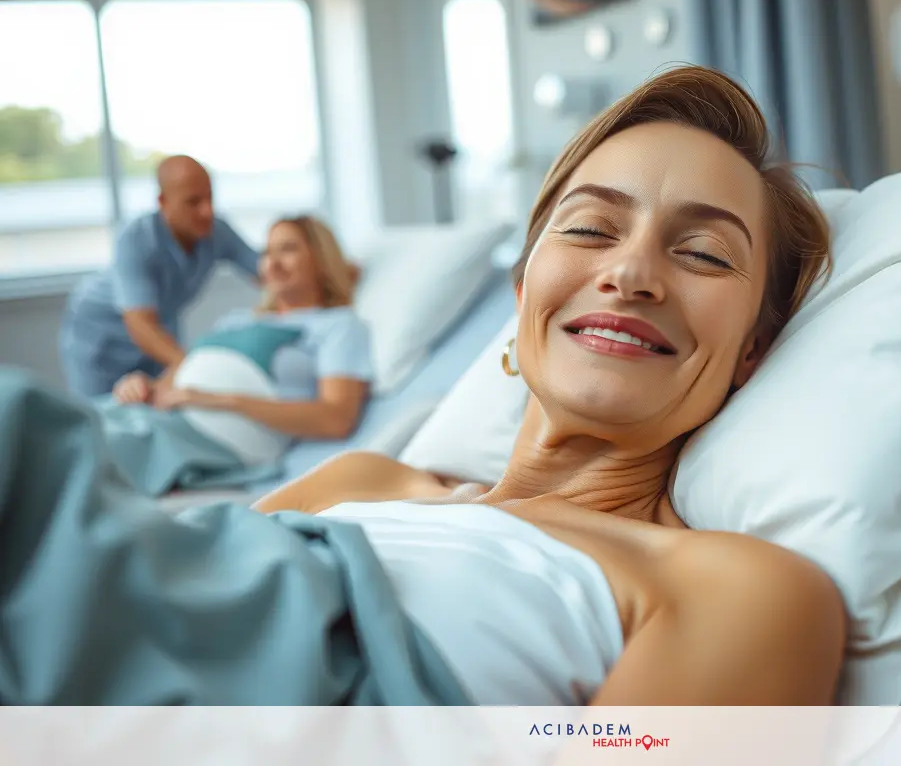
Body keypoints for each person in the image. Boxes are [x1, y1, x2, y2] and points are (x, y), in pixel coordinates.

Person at [1, 65, 843, 707]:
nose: (630, 271)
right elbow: (168, 591)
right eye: (589, 228)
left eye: (702, 252)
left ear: (751, 354)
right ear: (522, 302)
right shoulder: (362, 478)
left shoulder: (736, 588)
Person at [112, 214, 373, 442]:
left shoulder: (337, 325)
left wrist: (224, 401)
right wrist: (142, 386)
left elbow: (336, 420)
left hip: (213, 437)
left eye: (289, 249)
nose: (274, 263)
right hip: (162, 418)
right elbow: (172, 384)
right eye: (268, 252)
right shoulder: (236, 321)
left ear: (321, 260)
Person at [59, 155, 260, 398]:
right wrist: (194, 366)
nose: (207, 211)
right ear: (163, 202)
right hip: (102, 340)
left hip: (160, 333)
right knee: (102, 418)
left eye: (210, 198)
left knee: (161, 409)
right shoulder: (137, 238)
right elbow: (140, 323)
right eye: (193, 202)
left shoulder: (217, 231)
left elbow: (266, 271)